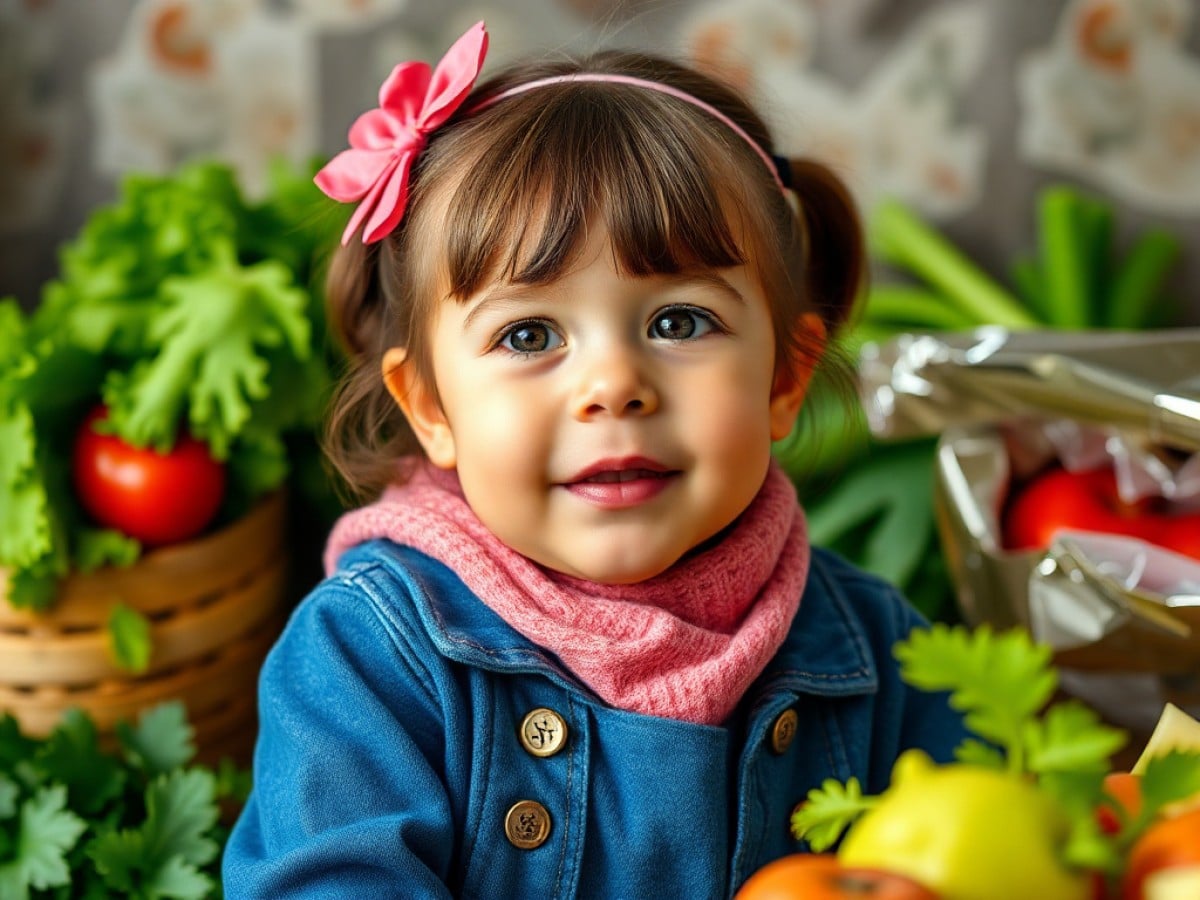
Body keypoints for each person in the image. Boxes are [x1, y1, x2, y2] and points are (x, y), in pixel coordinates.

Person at [223, 21, 967, 898]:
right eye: (528, 335)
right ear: (429, 408)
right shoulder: (369, 656)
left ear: (785, 378)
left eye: (679, 322)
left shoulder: (877, 647)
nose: (614, 386)